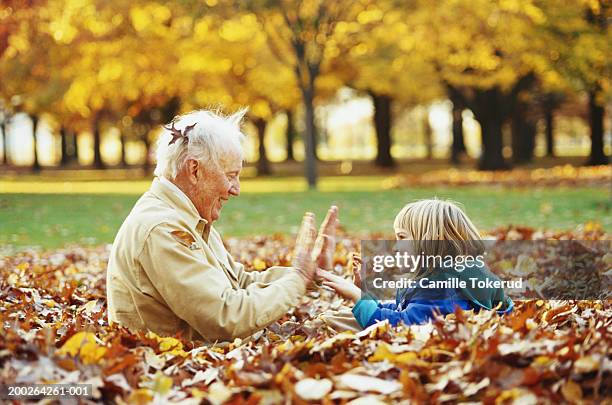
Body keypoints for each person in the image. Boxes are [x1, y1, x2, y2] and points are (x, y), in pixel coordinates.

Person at [106, 108, 338, 343]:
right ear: (194, 170)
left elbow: (240, 283)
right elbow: (227, 318)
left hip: (202, 362)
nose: (236, 189)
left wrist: (310, 275)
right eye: (230, 175)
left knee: (346, 322)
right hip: (178, 371)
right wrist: (297, 279)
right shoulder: (163, 229)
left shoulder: (187, 218)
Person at [319, 199, 513, 329]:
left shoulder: (442, 286)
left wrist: (357, 297)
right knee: (338, 317)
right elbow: (408, 308)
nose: (395, 246)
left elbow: (402, 326)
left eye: (402, 237)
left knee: (332, 322)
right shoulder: (449, 275)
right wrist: (364, 295)